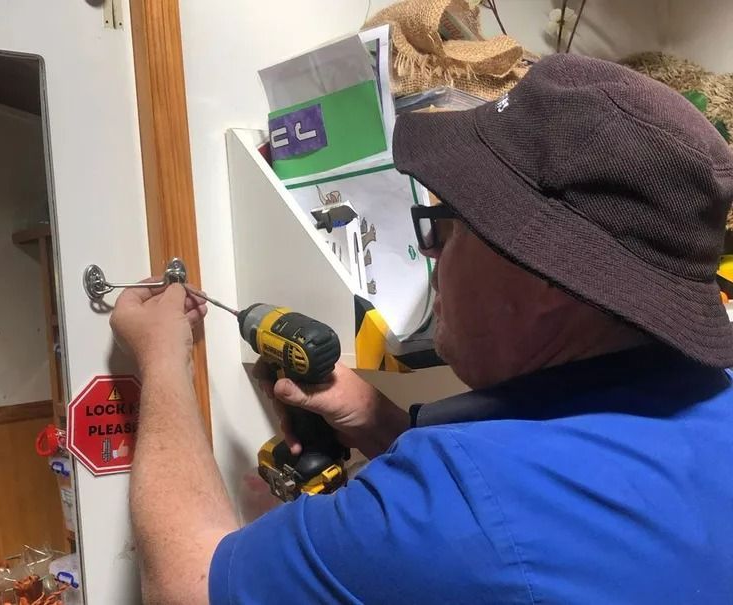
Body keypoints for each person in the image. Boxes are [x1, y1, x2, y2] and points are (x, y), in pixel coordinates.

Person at [110, 54, 733, 604]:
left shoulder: (459, 508)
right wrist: (382, 424)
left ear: (546, 277)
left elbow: (183, 585)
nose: (432, 254)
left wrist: (162, 355)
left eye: (445, 226)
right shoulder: (716, 398)